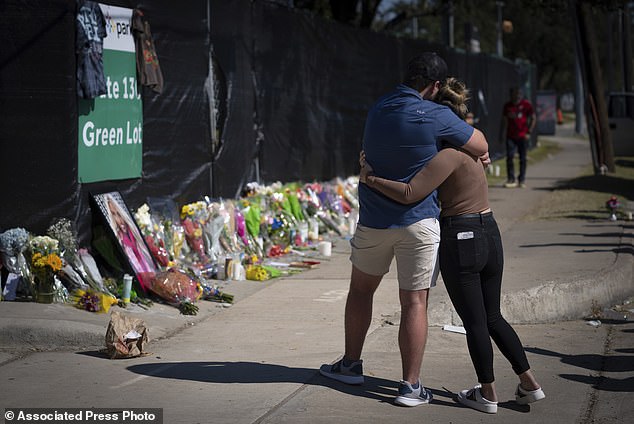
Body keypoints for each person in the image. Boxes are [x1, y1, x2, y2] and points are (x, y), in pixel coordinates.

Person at [358, 78, 545, 414]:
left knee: (474, 322)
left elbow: (409, 193)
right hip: (489, 230)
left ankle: (486, 393)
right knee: (492, 317)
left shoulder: (448, 155)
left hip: (462, 237)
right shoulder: (475, 150)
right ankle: (530, 383)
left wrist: (369, 177)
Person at [319, 53, 489, 407]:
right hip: (419, 222)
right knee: (414, 302)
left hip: (374, 220)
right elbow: (481, 146)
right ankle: (410, 386)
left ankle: (350, 364)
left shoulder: (378, 107)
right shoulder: (437, 114)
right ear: (436, 86)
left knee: (360, 292)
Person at [501, 87, 535, 188]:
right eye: (514, 94)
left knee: (523, 158)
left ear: (521, 95)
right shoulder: (507, 106)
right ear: (511, 95)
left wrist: (529, 132)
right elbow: (504, 121)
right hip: (510, 136)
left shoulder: (526, 105)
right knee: (510, 157)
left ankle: (522, 180)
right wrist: (501, 134)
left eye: (519, 94)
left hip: (522, 136)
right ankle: (511, 179)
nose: (517, 96)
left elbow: (533, 118)